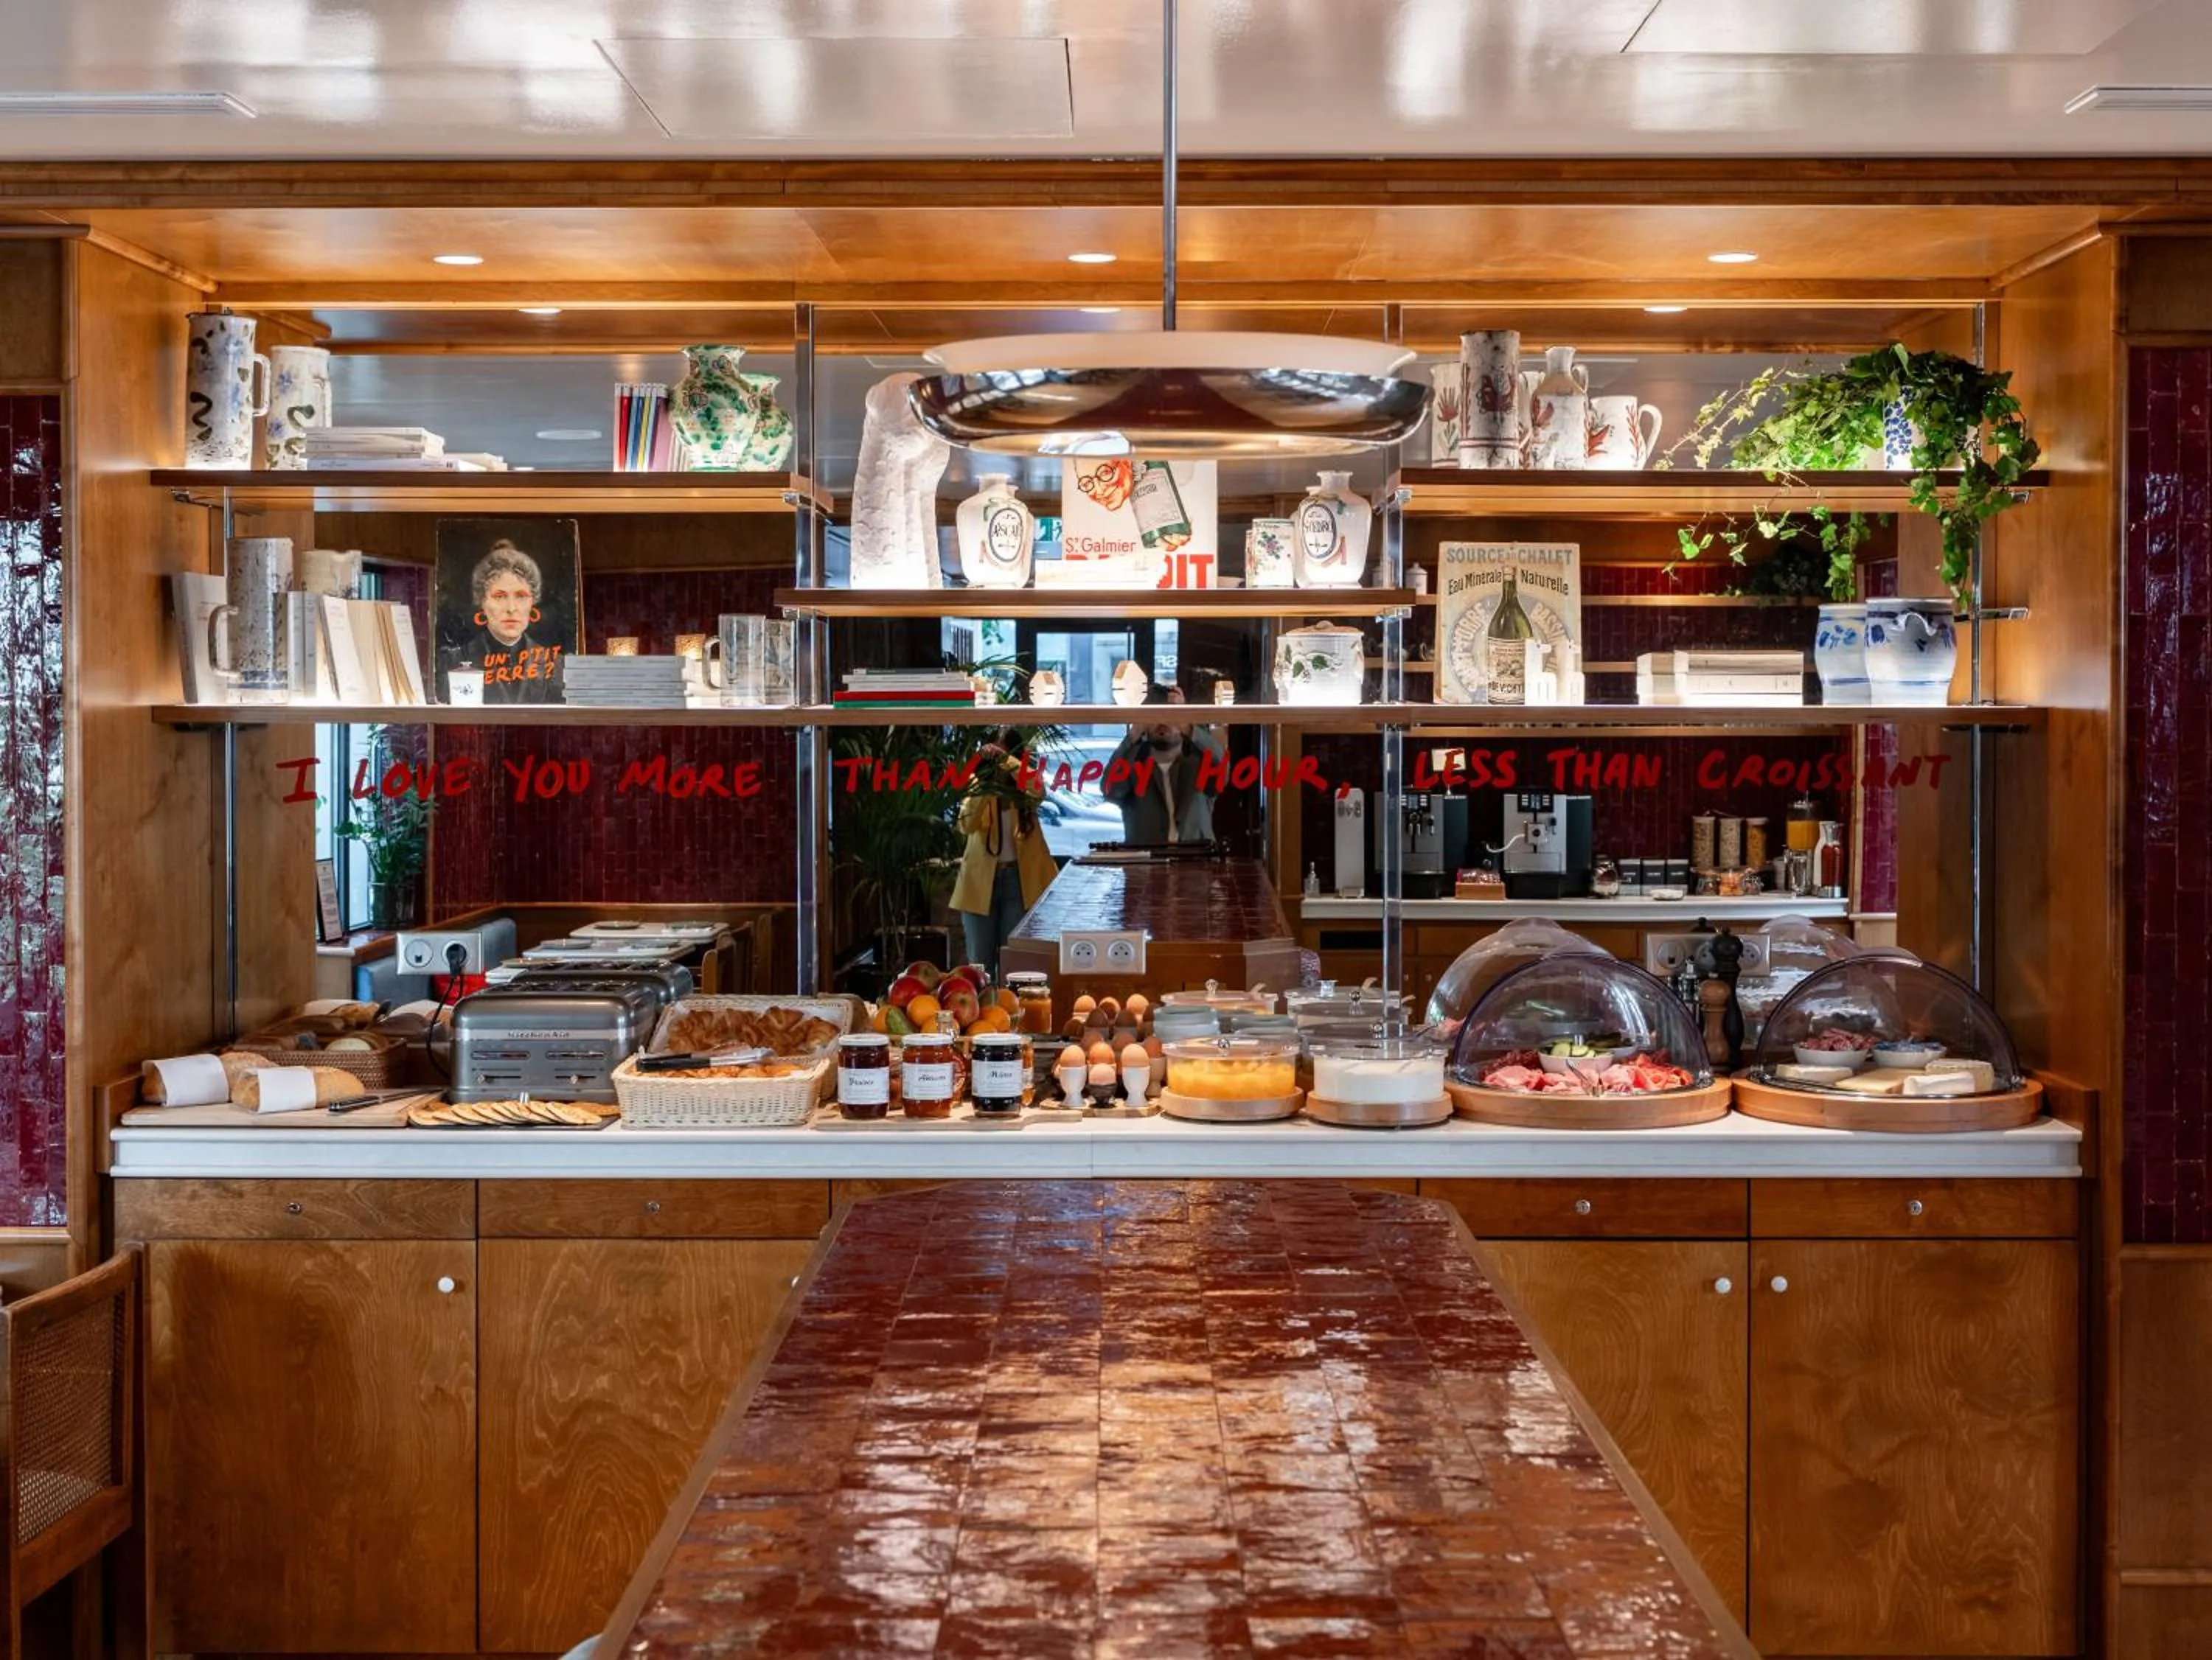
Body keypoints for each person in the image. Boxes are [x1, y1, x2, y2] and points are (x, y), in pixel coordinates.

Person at [949, 734, 1058, 978]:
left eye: (1004, 754)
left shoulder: (1024, 788)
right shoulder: (977, 783)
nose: (996, 762)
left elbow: (1038, 790)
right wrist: (985, 785)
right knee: (980, 967)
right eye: (991, 755)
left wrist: (1007, 762)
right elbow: (966, 825)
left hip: (1019, 882)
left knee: (1015, 964)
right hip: (979, 886)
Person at [1104, 686, 1227, 846]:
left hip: (1196, 863)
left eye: (1170, 715)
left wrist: (1188, 725)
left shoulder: (1199, 765)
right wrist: (1134, 734)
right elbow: (1110, 790)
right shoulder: (1133, 766)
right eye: (1155, 715)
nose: (1163, 722)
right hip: (1145, 866)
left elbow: (1222, 769)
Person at [445, 540, 564, 704]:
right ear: (482, 602)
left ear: (532, 602)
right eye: (500, 596)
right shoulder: (455, 661)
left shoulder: (554, 664)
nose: (511, 608)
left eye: (521, 596)